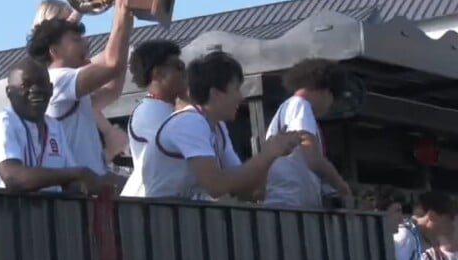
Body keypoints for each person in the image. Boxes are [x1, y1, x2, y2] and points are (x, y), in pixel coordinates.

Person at [126, 51, 301, 200]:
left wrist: (274, 155)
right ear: (215, 93)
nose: (241, 98)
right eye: (236, 89)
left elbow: (241, 186)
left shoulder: (217, 126)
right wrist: (268, 153)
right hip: (156, 224)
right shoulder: (189, 122)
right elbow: (216, 185)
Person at [26, 0, 135, 183]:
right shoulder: (57, 81)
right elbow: (112, 64)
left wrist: (126, 17)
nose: (85, 43)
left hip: (88, 189)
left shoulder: (69, 86)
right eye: (75, 39)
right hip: (74, 197)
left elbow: (112, 89)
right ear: (54, 50)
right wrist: (121, 9)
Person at [0, 59, 104, 194]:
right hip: (1, 212)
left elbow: (72, 181)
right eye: (25, 85)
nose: (35, 90)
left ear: (50, 89)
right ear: (9, 92)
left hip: (45, 212)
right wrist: (77, 173)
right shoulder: (2, 123)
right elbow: (13, 177)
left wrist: (97, 183)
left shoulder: (54, 127)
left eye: (41, 84)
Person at [263, 58, 351, 209]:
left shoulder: (287, 109)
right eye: (333, 99)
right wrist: (342, 186)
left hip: (286, 202)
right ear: (326, 91)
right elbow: (313, 158)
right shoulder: (300, 105)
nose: (329, 106)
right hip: (292, 203)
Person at [120, 39, 187, 196]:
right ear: (158, 73)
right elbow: (184, 146)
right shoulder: (149, 111)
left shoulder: (164, 108)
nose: (185, 73)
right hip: (149, 205)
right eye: (179, 67)